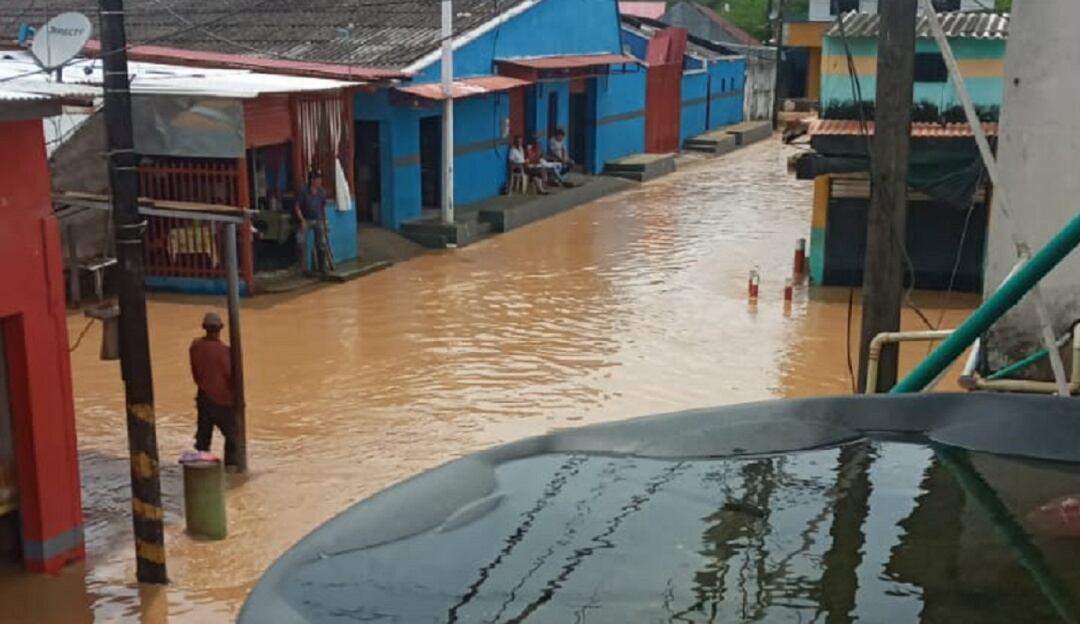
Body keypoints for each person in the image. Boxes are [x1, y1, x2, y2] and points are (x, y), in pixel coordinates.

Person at [189, 312, 238, 469]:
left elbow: (196, 372)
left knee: (203, 439)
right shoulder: (226, 352)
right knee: (233, 438)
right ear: (220, 329)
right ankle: (231, 470)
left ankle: (201, 471)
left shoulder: (195, 347)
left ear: (204, 328)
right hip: (223, 401)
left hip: (204, 398)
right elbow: (233, 378)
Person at [294, 170, 335, 274]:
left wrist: (325, 221)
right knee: (300, 241)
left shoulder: (322, 192)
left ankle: (322, 267)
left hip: (318, 219)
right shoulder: (303, 191)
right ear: (312, 180)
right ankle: (302, 268)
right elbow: (297, 207)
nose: (319, 181)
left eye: (320, 179)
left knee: (321, 243)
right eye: (317, 179)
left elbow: (323, 208)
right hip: (306, 220)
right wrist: (302, 220)